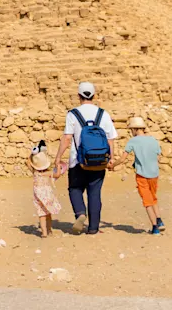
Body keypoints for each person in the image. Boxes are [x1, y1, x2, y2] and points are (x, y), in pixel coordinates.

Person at [53, 81, 117, 235]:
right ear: (94, 96)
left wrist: (58, 157)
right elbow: (110, 139)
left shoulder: (73, 114)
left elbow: (67, 138)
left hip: (78, 161)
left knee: (74, 189)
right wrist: (111, 158)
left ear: (78, 96)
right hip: (100, 161)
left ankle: (80, 213)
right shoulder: (103, 114)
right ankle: (93, 227)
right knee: (94, 193)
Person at [123, 116, 165, 234]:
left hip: (142, 175)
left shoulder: (133, 141)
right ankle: (159, 220)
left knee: (147, 202)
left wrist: (112, 165)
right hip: (154, 174)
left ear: (135, 129)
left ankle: (155, 227)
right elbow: (158, 157)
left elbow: (122, 158)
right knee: (153, 198)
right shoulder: (152, 140)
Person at [28, 140, 62, 237]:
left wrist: (33, 154)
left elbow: (27, 162)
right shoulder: (47, 173)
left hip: (38, 196)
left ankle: (44, 233)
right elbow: (57, 174)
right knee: (48, 214)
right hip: (48, 196)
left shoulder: (35, 173)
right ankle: (49, 229)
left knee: (41, 214)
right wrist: (59, 167)